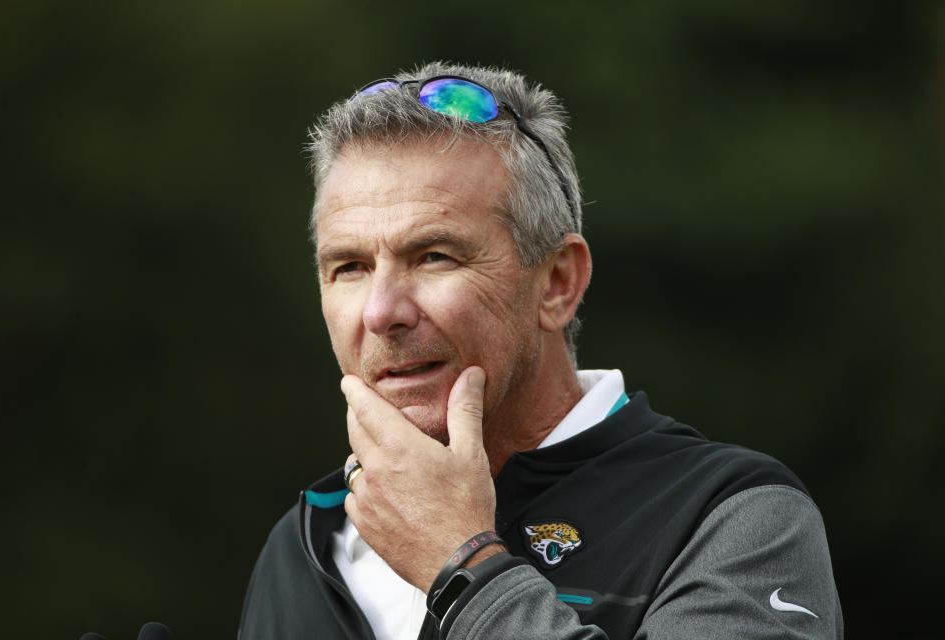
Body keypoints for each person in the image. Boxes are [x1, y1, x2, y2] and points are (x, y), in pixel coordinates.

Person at [238, 61, 843, 640]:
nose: (380, 311)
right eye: (349, 267)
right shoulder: (304, 542)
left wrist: (465, 567)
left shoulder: (735, 518)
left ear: (557, 284)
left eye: (434, 256)